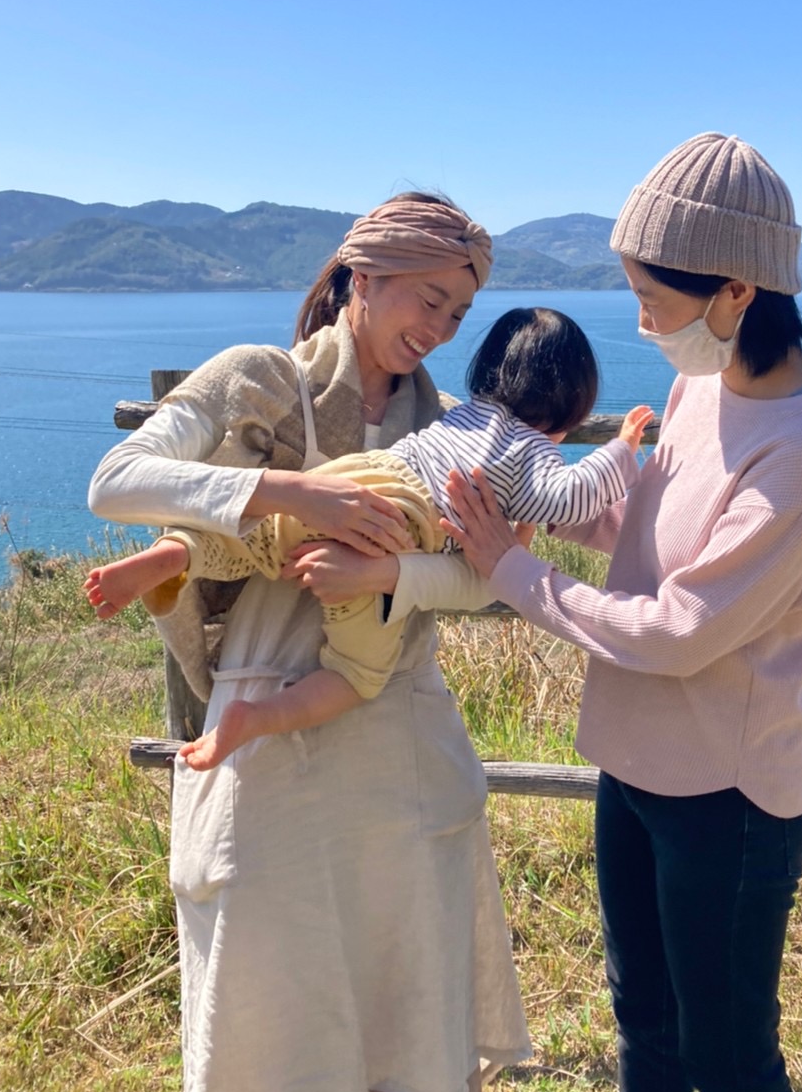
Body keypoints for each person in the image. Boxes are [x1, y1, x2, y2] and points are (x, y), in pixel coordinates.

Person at [440, 134, 802, 1092]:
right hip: (634, 765)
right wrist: (528, 502)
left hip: (727, 792)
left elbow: (683, 628)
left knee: (729, 1053)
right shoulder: (698, 390)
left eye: (650, 299)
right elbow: (640, 531)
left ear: (736, 291)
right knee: (644, 1019)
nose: (641, 322)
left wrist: (512, 572)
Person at [87, 192, 532, 1092]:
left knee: (398, 1003)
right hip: (266, 754)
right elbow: (116, 478)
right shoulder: (260, 378)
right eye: (427, 299)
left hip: (398, 743)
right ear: (360, 275)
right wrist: (290, 492)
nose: (439, 328)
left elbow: (485, 576)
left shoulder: (448, 429)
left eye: (458, 313)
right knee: (268, 1008)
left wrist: (391, 571)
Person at [85, 306, 652, 772]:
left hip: (348, 481)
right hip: (392, 527)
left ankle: (176, 551)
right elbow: (569, 498)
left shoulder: (463, 416)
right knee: (356, 675)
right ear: (572, 403)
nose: (440, 322)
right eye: (431, 301)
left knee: (252, 540)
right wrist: (622, 449)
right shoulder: (531, 453)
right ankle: (254, 718)